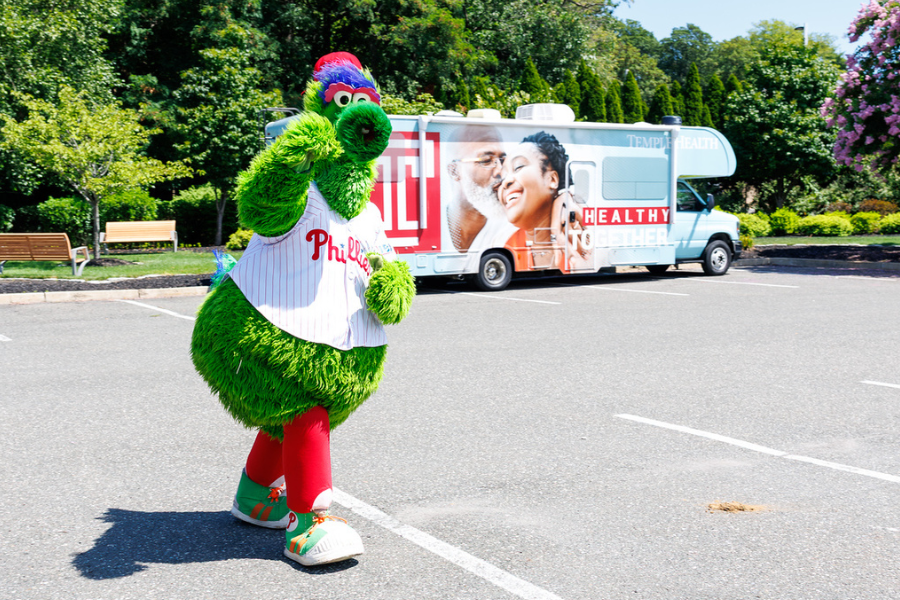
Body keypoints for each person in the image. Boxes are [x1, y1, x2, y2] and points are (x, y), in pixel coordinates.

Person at [497, 131, 591, 271]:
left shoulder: (578, 229)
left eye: (518, 167)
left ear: (552, 179)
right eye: (502, 177)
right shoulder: (510, 244)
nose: (505, 182)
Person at [446, 125, 516, 259]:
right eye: (486, 161)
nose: (500, 171)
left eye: (502, 160)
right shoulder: (435, 226)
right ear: (454, 171)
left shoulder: (511, 228)